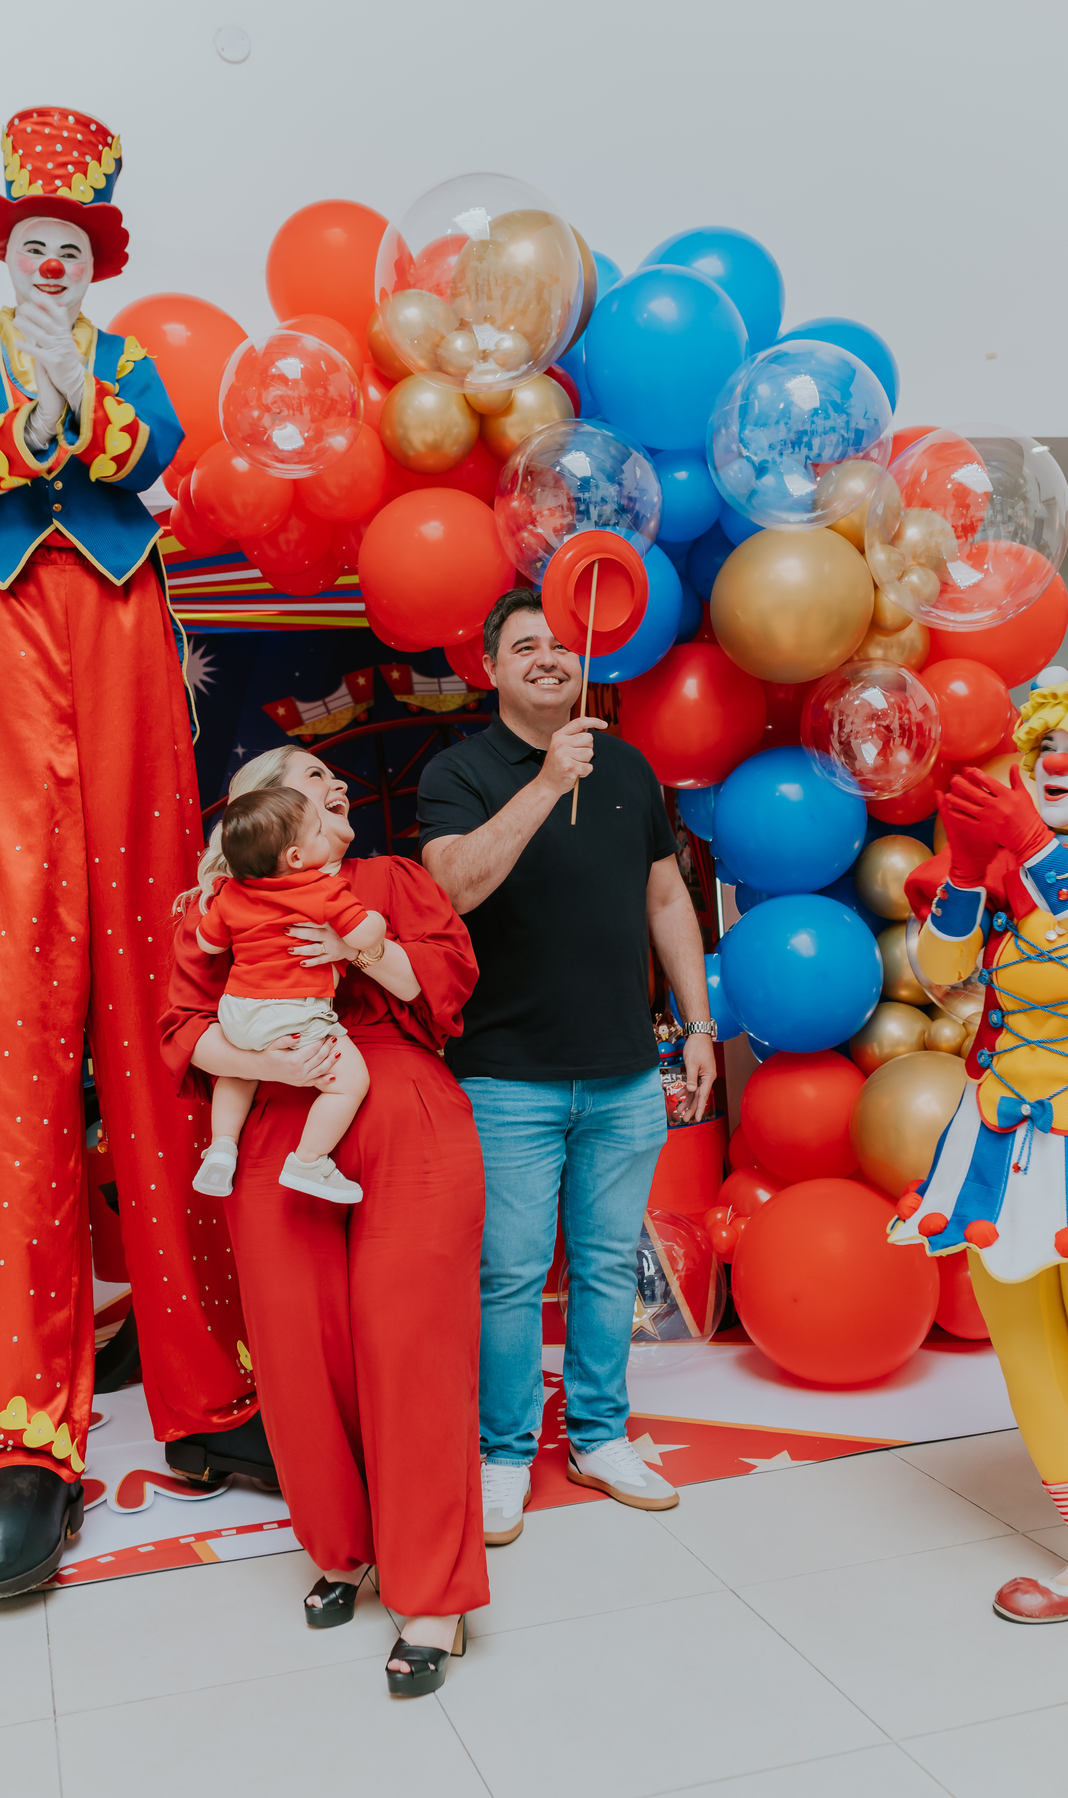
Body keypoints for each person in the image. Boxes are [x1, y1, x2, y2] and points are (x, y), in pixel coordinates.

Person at [0, 107, 274, 1600]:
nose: (52, 259)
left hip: (123, 626)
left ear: (97, 255)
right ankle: (25, 1429)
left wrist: (84, 405)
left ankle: (210, 1386)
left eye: (72, 242)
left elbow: (154, 450)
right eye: (34, 240)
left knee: (158, 1009)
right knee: (23, 1024)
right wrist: (39, 420)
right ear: (5, 246)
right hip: (7, 626)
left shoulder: (122, 361)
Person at [160, 745, 487, 1697]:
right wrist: (270, 1064)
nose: (337, 782)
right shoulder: (214, 909)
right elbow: (181, 1027)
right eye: (310, 776)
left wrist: (360, 948)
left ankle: (432, 1591)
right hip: (275, 1114)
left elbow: (446, 987)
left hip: (401, 1105)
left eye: (337, 779)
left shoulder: (389, 879)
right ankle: (345, 1548)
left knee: (411, 1344)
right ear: (262, 810)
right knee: (301, 1352)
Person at [417, 587, 717, 1546]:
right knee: (507, 1274)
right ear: (490, 669)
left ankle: (598, 1437)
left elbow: (665, 899)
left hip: (624, 1073)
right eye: (524, 646)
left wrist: (698, 1023)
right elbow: (451, 889)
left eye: (559, 642)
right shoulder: (458, 772)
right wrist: (547, 781)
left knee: (605, 1266)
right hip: (505, 1076)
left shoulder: (627, 765)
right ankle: (504, 1452)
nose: (548, 656)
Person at [892, 676, 1068, 1623]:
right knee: (1028, 1350)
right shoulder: (1008, 866)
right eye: (1047, 750)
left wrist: (1036, 850)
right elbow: (944, 972)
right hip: (1004, 1143)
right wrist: (966, 870)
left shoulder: (1038, 858)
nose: (1059, 764)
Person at [192, 787, 384, 1202]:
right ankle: (309, 1161)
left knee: (238, 1072)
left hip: (239, 1011)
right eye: (318, 832)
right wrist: (377, 922)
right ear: (296, 857)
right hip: (294, 1012)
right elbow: (362, 936)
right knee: (351, 1082)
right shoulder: (322, 888)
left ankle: (222, 1146)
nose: (324, 836)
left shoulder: (230, 892)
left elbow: (208, 944)